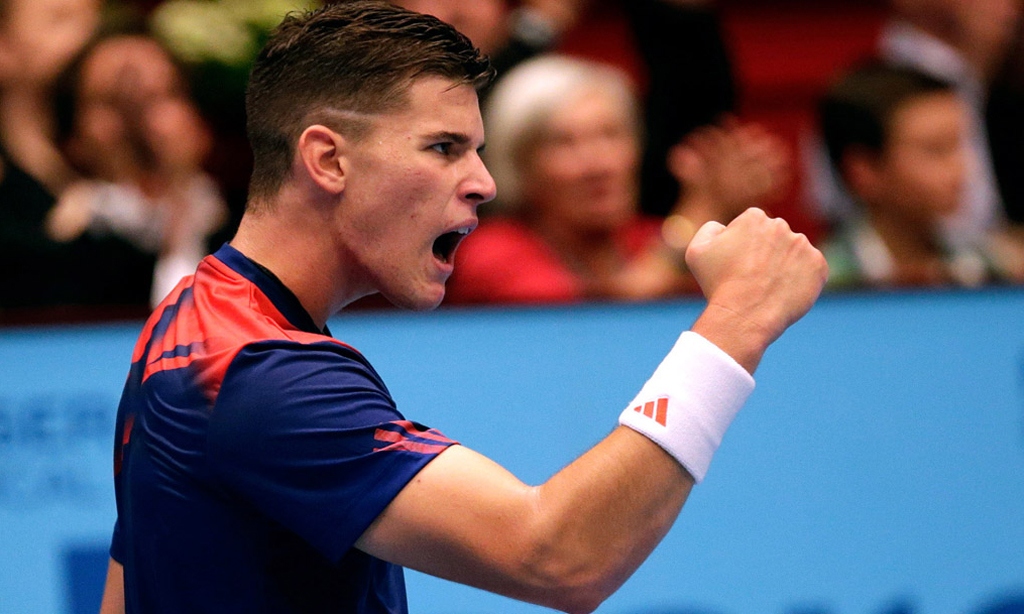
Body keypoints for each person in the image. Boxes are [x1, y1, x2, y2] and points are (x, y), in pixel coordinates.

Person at [99, 2, 827, 614]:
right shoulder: (262, 374)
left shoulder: (192, 319)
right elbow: (558, 556)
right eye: (443, 147)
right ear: (327, 160)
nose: (482, 182)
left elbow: (123, 596)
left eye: (476, 150)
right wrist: (737, 322)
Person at [446, 54, 787, 304]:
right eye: (566, 143)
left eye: (611, 136)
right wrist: (698, 216)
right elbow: (604, 319)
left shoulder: (652, 239)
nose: (599, 164)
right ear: (520, 167)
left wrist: (747, 211)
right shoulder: (491, 253)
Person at [49, 34, 227, 307]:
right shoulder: (55, 254)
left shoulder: (248, 230)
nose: (138, 120)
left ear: (201, 125)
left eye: (158, 96)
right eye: (111, 101)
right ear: (74, 140)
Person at [818, 61, 1023, 288]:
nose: (962, 168)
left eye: (960, 145)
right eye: (936, 149)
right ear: (864, 171)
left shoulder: (990, 270)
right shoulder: (823, 283)